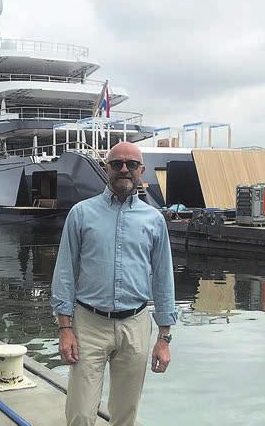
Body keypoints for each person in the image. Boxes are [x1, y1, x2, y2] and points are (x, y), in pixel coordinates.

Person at [51, 142, 176, 426]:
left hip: (136, 324)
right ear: (106, 168)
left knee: (125, 413)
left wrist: (164, 337)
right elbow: (65, 272)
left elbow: (163, 279)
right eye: (117, 163)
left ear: (141, 171)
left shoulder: (154, 220)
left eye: (131, 165)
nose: (124, 169)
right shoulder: (81, 214)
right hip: (89, 323)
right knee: (81, 413)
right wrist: (65, 328)